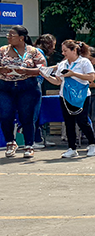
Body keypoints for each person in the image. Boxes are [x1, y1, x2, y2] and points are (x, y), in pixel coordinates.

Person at [42, 40, 95, 159]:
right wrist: (46, 76)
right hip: (65, 95)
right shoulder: (63, 64)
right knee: (68, 122)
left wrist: (73, 74)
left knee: (82, 120)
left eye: (65, 51)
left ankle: (93, 143)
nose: (63, 53)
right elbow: (58, 81)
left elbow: (91, 78)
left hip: (81, 96)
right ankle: (72, 148)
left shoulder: (84, 62)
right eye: (62, 51)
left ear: (74, 50)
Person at [0, 25, 48, 160]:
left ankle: (28, 146)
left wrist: (26, 71)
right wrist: (2, 70)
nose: (8, 37)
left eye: (11, 35)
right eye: (8, 35)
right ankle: (10, 143)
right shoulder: (2, 51)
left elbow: (43, 69)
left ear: (21, 38)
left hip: (27, 86)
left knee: (27, 116)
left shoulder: (33, 52)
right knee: (5, 115)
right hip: (5, 86)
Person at [33, 33, 59, 147]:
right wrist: (56, 67)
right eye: (53, 45)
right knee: (34, 113)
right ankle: (34, 139)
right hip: (35, 84)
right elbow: (42, 70)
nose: (54, 48)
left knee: (37, 113)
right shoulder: (39, 53)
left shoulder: (34, 51)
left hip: (36, 83)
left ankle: (38, 138)